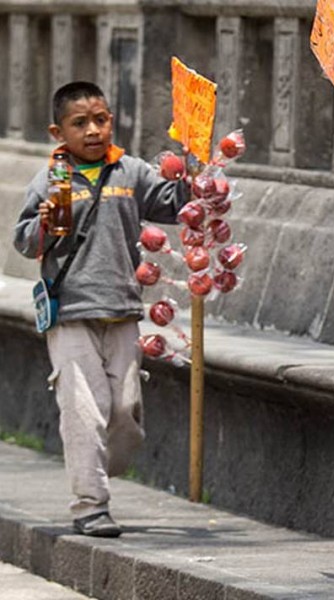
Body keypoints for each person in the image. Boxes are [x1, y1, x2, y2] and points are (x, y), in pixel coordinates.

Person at [13, 81, 189, 537]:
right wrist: (50, 220)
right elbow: (24, 239)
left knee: (126, 413)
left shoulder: (129, 172)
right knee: (84, 411)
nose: (93, 129)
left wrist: (196, 172)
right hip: (70, 309)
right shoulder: (52, 179)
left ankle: (93, 467)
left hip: (123, 308)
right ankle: (90, 504)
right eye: (80, 123)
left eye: (101, 119)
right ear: (59, 132)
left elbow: (174, 205)